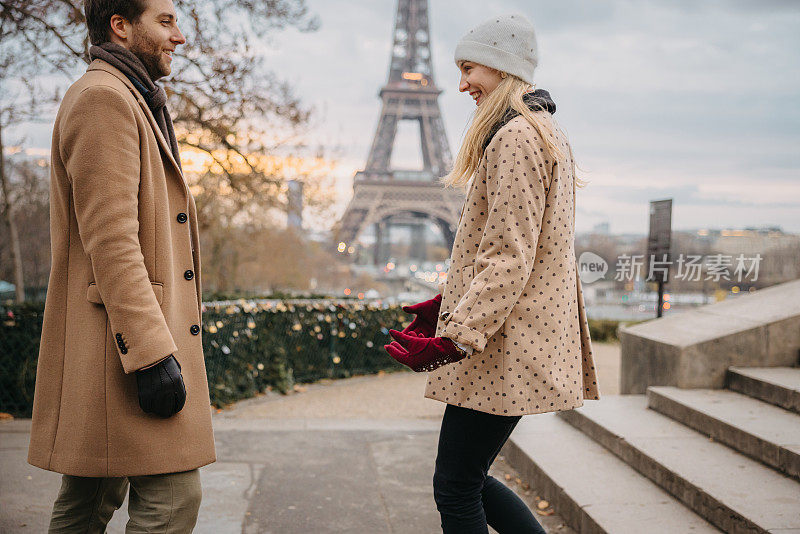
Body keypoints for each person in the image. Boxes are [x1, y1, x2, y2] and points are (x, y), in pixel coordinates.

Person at [385, 13, 601, 534]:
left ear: (502, 67)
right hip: (513, 334)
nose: (460, 84)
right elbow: (526, 249)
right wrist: (447, 305)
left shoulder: (515, 138)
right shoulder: (543, 131)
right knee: (468, 479)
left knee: (456, 485)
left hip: (500, 343)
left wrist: (454, 335)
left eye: (469, 69)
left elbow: (509, 254)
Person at [27, 0, 216, 531]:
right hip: (126, 347)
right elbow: (111, 241)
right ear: (120, 26)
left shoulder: (129, 96)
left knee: (88, 502)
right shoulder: (104, 100)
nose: (179, 36)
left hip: (112, 344)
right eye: (166, 21)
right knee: (173, 498)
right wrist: (154, 355)